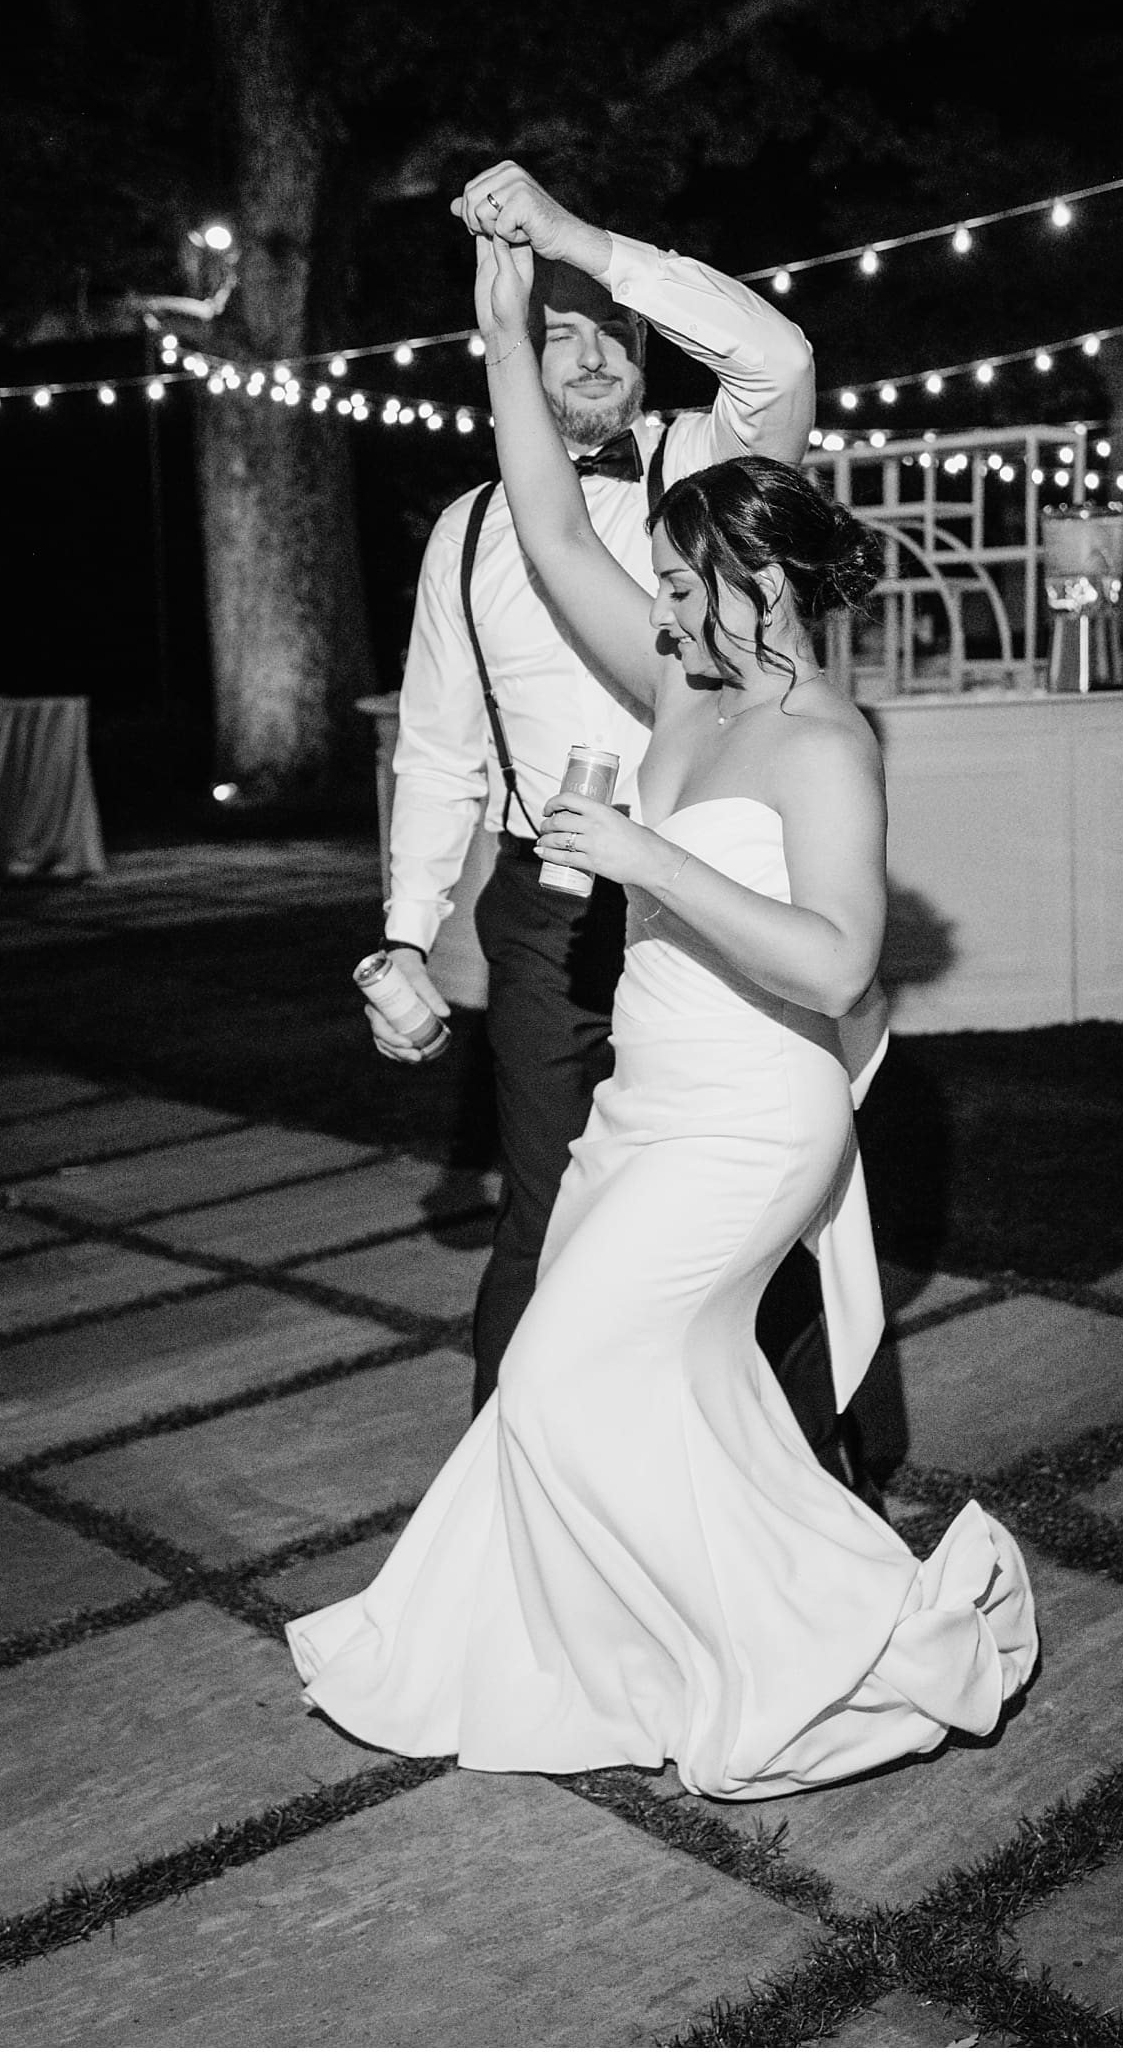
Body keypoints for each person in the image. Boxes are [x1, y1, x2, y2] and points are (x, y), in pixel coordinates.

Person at [285, 204, 1037, 1802]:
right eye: (672, 595)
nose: (670, 615)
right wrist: (500, 329)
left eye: (695, 590)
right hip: (645, 1094)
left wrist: (642, 854)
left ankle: (821, 1646)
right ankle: (653, 1637)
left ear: (764, 575)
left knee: (564, 1375)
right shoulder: (689, 690)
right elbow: (557, 536)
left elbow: (836, 962)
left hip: (751, 1118)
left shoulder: (823, 745)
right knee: (650, 1386)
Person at [369, 162, 868, 1496]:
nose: (589, 354)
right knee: (552, 1216)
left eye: (611, 332)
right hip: (556, 913)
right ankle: (515, 1494)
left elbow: (773, 353)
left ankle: (799, 1476)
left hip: (724, 944)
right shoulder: (489, 542)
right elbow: (446, 726)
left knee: (742, 1249)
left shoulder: (708, 476)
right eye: (560, 333)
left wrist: (581, 241)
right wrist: (406, 933)